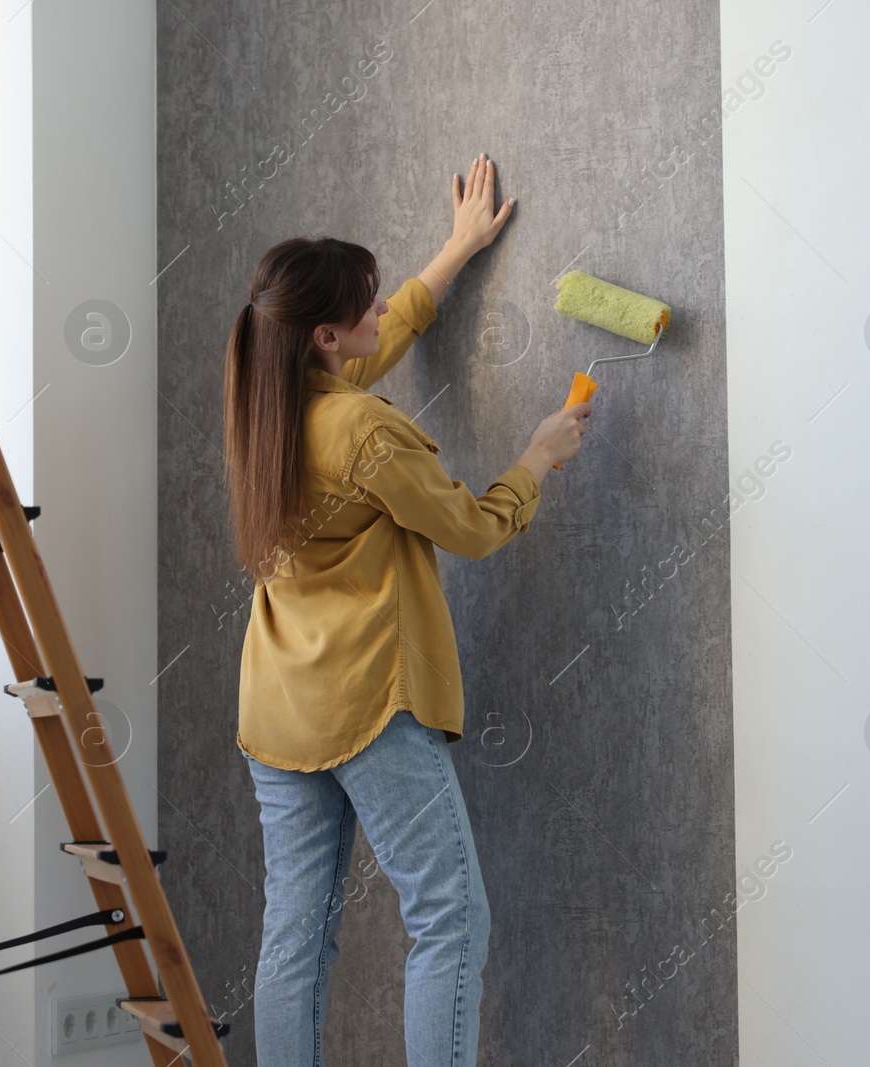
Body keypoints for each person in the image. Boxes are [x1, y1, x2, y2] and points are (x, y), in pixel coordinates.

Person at [221, 153, 588, 1066]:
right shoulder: (361, 431)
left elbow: (385, 340)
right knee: (450, 917)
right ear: (324, 338)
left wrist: (456, 250)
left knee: (295, 939)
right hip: (369, 702)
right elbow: (467, 526)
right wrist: (539, 454)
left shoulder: (265, 402)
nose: (381, 314)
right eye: (368, 306)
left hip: (277, 707)